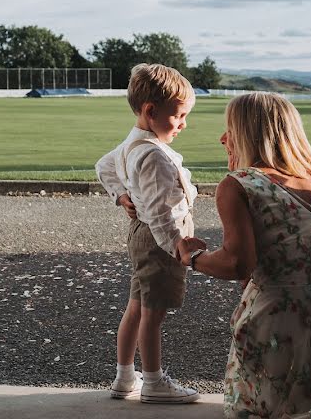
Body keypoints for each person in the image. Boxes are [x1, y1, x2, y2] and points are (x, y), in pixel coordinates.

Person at [177, 92, 311, 418]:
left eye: (231, 129)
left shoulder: (238, 185)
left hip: (283, 324)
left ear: (251, 134)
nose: (223, 138)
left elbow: (238, 263)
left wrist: (192, 258)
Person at [95, 63, 201, 404]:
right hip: (159, 239)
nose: (184, 124)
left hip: (142, 234)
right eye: (179, 116)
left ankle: (126, 377)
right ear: (151, 111)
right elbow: (159, 211)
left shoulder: (134, 142)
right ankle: (154, 382)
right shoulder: (153, 154)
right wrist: (178, 246)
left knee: (137, 306)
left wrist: (121, 195)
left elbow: (104, 165)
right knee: (153, 314)